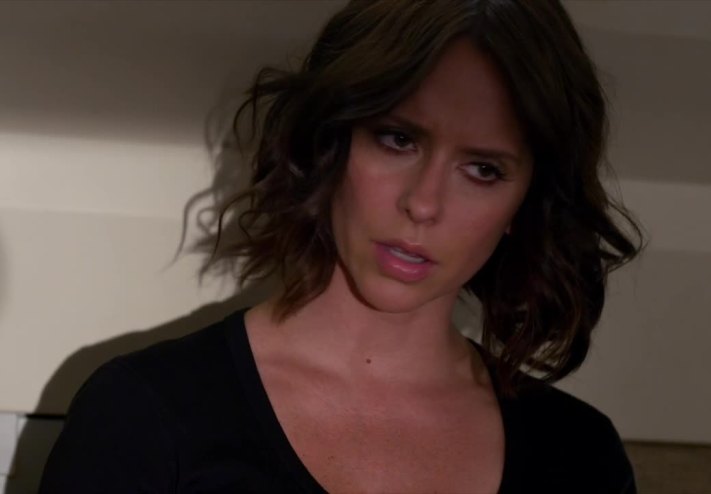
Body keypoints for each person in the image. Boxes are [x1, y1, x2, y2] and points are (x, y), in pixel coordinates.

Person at [40, 0, 643, 492]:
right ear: (331, 141)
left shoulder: (580, 455)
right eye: (398, 139)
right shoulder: (145, 414)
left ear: (526, 204)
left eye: (483, 170)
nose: (423, 203)